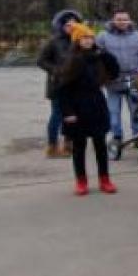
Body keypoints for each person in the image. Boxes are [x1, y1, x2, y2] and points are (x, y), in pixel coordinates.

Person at [55, 23, 120, 196]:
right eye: (84, 37)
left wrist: (105, 54)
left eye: (91, 37)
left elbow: (114, 72)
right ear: (77, 40)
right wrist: (68, 112)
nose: (88, 40)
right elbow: (62, 89)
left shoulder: (98, 57)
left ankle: (104, 179)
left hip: (96, 104)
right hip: (77, 107)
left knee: (100, 145)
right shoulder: (72, 60)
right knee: (79, 147)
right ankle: (81, 181)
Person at [96, 9, 138, 147]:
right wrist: (104, 74)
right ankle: (116, 137)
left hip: (133, 79)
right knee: (113, 112)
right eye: (119, 19)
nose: (122, 22)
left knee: (136, 110)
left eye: (125, 19)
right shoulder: (103, 36)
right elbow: (97, 57)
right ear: (113, 20)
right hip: (113, 80)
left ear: (129, 21)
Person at [37, 9, 82, 158]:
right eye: (68, 25)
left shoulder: (79, 40)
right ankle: (52, 146)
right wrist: (56, 70)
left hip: (75, 85)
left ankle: (68, 144)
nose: (71, 27)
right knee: (57, 115)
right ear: (61, 26)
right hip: (58, 85)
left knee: (72, 116)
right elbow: (41, 61)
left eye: (74, 24)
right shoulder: (53, 42)